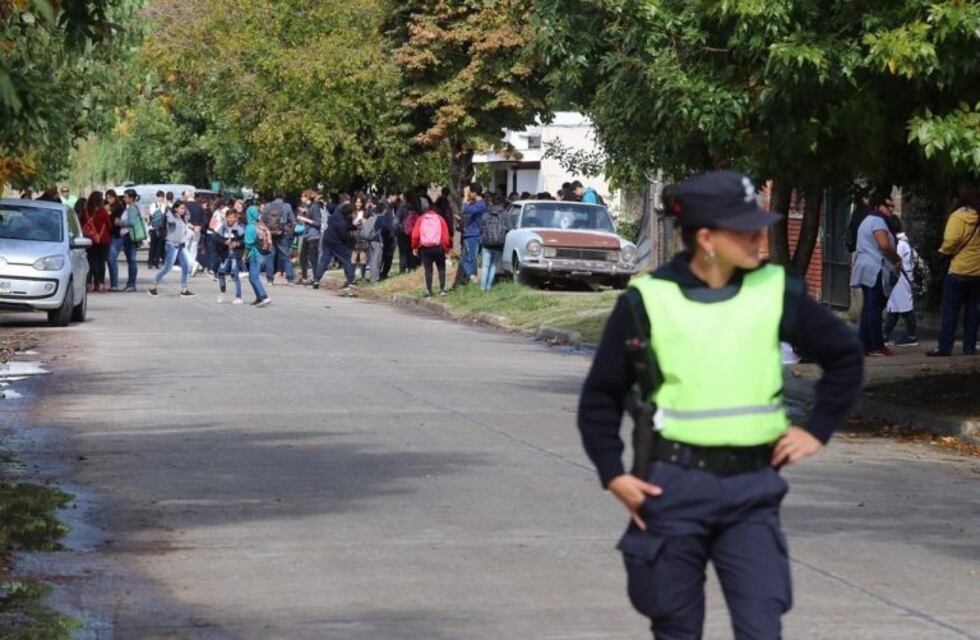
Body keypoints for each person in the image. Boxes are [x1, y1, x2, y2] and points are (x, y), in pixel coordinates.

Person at [578, 170, 863, 640]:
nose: (759, 237)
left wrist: (817, 428)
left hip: (752, 489)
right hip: (671, 487)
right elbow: (601, 396)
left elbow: (845, 355)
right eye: (745, 229)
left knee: (760, 627)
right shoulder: (648, 299)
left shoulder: (775, 288)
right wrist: (612, 473)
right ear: (706, 237)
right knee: (677, 627)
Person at [930, 183, 980, 356]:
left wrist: (942, 252)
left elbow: (951, 241)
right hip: (977, 272)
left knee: (950, 310)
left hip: (958, 270)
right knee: (973, 312)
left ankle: (944, 347)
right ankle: (969, 347)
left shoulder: (957, 217)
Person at [849, 194, 901, 356]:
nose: (891, 210)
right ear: (879, 206)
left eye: (893, 207)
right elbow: (884, 245)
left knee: (869, 307)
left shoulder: (867, 220)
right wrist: (897, 259)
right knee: (875, 307)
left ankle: (863, 344)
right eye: (889, 206)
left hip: (866, 268)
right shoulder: (878, 221)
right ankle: (876, 345)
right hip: (876, 268)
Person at [148, 201, 196, 298]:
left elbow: (189, 215)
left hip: (181, 245)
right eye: (181, 208)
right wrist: (170, 209)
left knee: (186, 266)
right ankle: (153, 287)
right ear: (176, 208)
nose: (184, 210)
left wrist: (184, 211)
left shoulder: (183, 218)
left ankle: (184, 290)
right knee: (167, 268)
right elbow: (170, 221)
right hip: (172, 245)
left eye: (184, 208)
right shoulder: (171, 216)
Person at [883, 217, 918, 347]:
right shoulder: (903, 242)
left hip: (901, 279)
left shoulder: (900, 244)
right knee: (896, 307)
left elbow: (893, 259)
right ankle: (886, 334)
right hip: (901, 278)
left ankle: (911, 336)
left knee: (903, 307)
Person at [411, 202, 451, 297]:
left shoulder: (421, 219)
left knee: (428, 269)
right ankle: (442, 289)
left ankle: (428, 291)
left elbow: (415, 235)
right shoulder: (440, 219)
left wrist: (415, 247)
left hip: (425, 248)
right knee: (441, 267)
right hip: (438, 247)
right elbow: (445, 236)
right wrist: (446, 249)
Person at [314, 202, 356, 291]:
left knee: (324, 260)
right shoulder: (342, 223)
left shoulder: (336, 214)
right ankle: (351, 280)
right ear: (348, 214)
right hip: (337, 242)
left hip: (327, 238)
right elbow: (344, 235)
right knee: (347, 259)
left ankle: (316, 279)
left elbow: (330, 206)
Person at [262, 192, 296, 285]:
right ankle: (290, 279)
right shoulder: (287, 206)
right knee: (286, 256)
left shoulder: (267, 206)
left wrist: (266, 231)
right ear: (283, 196)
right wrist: (289, 232)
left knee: (270, 255)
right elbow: (292, 221)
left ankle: (270, 279)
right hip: (282, 234)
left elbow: (263, 220)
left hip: (270, 233)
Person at [479, 194, 510, 291]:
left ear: (492, 201)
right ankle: (488, 286)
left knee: (485, 266)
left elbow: (481, 226)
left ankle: (482, 287)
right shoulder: (505, 213)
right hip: (499, 243)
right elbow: (509, 227)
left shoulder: (486, 213)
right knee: (493, 265)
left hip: (486, 242)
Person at [81, 191, 111, 293]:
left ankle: (89, 284)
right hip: (102, 240)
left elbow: (81, 224)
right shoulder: (103, 211)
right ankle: (100, 284)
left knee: (90, 262)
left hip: (89, 240)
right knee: (101, 263)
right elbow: (109, 225)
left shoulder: (86, 211)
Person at [214, 206, 245, 305]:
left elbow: (244, 241)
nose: (231, 219)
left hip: (235, 254)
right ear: (226, 217)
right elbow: (215, 238)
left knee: (234, 274)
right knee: (221, 272)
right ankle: (222, 292)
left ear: (236, 218)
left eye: (233, 217)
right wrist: (224, 242)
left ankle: (238, 296)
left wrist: (237, 243)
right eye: (229, 217)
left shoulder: (239, 228)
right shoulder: (222, 227)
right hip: (225, 254)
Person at [243, 205, 272, 307]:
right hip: (263, 253)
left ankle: (264, 297)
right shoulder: (260, 225)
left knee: (254, 277)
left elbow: (248, 244)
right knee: (252, 277)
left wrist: (245, 255)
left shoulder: (250, 227)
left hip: (254, 254)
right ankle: (258, 297)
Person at [116, 189, 141, 291]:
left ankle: (131, 284)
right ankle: (130, 284)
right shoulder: (131, 207)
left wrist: (120, 222)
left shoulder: (132, 208)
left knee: (132, 260)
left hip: (130, 236)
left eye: (125, 197)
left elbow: (132, 222)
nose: (124, 198)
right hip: (128, 236)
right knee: (131, 260)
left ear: (131, 198)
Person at [461, 185, 486, 282]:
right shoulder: (475, 204)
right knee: (464, 259)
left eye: (470, 192)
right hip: (469, 233)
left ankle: (472, 276)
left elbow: (465, 210)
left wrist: (465, 196)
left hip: (474, 234)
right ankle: (470, 276)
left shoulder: (481, 204)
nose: (469, 194)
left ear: (475, 192)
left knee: (471, 257)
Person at [297, 190, 322, 284]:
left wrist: (304, 219)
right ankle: (304, 277)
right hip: (307, 234)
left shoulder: (315, 207)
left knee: (313, 257)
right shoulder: (308, 207)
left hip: (313, 235)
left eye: (303, 196)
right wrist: (304, 212)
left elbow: (317, 222)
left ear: (307, 197)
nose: (301, 198)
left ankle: (316, 278)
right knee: (303, 256)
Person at [105, 189, 126, 291]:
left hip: (117, 236)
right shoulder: (108, 206)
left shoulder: (119, 208)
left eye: (111, 197)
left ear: (115, 197)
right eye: (107, 197)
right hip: (109, 236)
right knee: (109, 260)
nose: (109, 199)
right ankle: (113, 283)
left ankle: (114, 284)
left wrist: (108, 213)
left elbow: (115, 222)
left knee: (111, 259)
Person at [350, 194, 370, 281]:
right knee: (354, 255)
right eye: (356, 202)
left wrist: (362, 220)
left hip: (363, 234)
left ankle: (363, 277)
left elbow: (367, 223)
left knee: (363, 256)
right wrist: (359, 220)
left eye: (360, 202)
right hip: (354, 235)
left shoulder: (366, 212)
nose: (358, 204)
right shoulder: (352, 212)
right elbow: (352, 223)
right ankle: (352, 276)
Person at [148, 191, 169, 269]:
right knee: (152, 246)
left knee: (159, 247)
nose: (161, 198)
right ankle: (150, 262)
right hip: (153, 228)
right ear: (156, 197)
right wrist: (158, 208)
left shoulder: (165, 206)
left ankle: (156, 263)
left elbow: (165, 216)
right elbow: (151, 214)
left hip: (162, 229)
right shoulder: (152, 205)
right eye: (159, 197)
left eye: (162, 197)